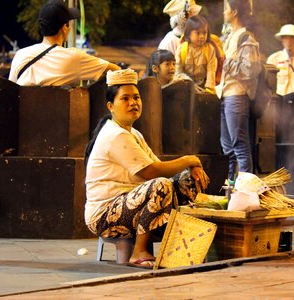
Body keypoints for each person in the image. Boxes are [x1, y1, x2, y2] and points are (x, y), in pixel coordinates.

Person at [84, 69, 210, 268]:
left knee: (188, 181)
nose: (133, 103)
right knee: (160, 186)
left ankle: (180, 246)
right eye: (124, 99)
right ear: (111, 106)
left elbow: (159, 166)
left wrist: (192, 167)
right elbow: (152, 172)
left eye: (136, 97)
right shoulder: (116, 135)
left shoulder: (133, 133)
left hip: (130, 207)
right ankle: (139, 252)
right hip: (104, 216)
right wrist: (189, 159)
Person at [9, 0, 119, 86]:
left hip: (24, 115)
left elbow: (11, 89)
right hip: (58, 115)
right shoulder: (74, 57)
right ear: (64, 28)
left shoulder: (20, 55)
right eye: (69, 24)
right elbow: (116, 70)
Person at [218, 0, 261, 182]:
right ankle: (232, 190)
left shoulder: (246, 38)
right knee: (228, 149)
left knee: (240, 145)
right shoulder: (230, 36)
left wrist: (226, 61)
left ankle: (246, 190)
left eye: (226, 9)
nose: (224, 12)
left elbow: (249, 71)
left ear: (234, 12)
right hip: (225, 95)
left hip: (237, 96)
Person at [175, 15, 218, 93]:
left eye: (204, 33)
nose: (202, 36)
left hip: (204, 87)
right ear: (188, 34)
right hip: (186, 87)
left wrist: (209, 89)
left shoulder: (209, 49)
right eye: (197, 33)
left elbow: (211, 70)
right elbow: (178, 72)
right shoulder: (182, 49)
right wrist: (190, 84)